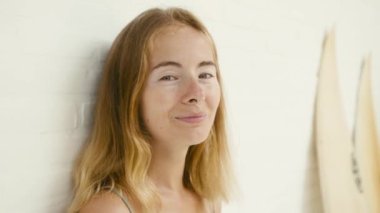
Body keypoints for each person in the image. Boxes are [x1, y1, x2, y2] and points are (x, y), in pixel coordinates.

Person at [68, 7, 233, 213]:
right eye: (169, 77)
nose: (196, 93)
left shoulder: (208, 200)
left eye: (205, 74)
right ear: (131, 97)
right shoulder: (111, 209)